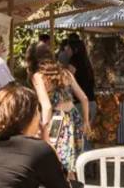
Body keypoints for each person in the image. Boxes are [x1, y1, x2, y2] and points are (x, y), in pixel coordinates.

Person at [30, 44, 90, 177]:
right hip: (74, 117)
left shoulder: (38, 76)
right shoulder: (66, 73)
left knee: (55, 163)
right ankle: (72, 187)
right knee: (70, 166)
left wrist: (44, 129)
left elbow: (47, 106)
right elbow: (84, 98)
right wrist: (86, 121)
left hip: (57, 121)